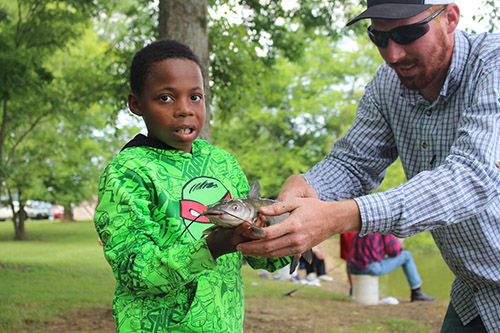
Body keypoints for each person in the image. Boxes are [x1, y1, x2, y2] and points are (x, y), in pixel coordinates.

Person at [236, 1, 500, 331]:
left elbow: (472, 177)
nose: (392, 55)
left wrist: (340, 216)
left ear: (450, 18)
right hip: (472, 294)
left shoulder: (494, 65)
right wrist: (309, 186)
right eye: (379, 37)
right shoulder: (387, 86)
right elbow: (354, 163)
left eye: (408, 33)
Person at [93, 39, 290, 332]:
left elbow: (264, 257)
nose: (184, 109)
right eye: (166, 98)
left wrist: (281, 234)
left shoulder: (222, 162)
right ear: (136, 104)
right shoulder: (128, 171)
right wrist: (212, 247)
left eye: (195, 97)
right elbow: (134, 270)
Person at [347, 233, 435, 302]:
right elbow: (395, 252)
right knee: (407, 256)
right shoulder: (384, 231)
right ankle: (417, 291)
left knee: (371, 260)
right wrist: (399, 240)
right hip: (369, 268)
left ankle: (352, 291)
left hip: (353, 268)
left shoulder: (363, 228)